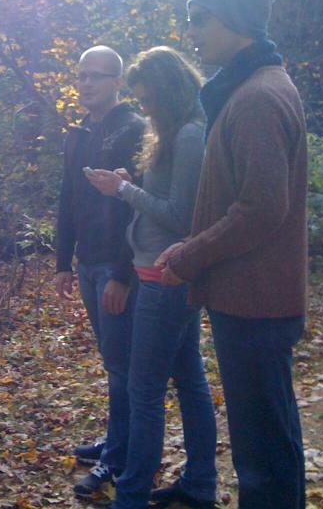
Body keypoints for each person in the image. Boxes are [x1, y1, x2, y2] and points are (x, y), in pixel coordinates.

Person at [156, 0, 308, 509]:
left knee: (262, 453)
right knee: (271, 439)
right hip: (254, 297)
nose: (191, 33)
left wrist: (192, 253)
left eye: (201, 19)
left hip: (254, 301)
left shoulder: (256, 98)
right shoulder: (255, 88)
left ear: (238, 20)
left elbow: (263, 207)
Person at [86, 47, 217, 509]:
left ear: (169, 92)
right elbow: (162, 197)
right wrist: (130, 182)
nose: (143, 108)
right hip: (155, 272)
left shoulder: (188, 136)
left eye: (148, 99)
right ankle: (200, 484)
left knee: (144, 392)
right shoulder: (171, 133)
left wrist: (123, 189)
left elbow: (183, 218)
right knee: (190, 382)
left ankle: (132, 494)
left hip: (165, 277)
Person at [54, 46, 145, 498]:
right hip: (87, 263)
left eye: (96, 75)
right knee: (114, 362)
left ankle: (119, 459)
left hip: (116, 266)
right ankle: (117, 440)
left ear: (117, 81)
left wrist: (124, 275)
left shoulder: (134, 130)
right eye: (81, 74)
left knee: (122, 365)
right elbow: (68, 199)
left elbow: (141, 213)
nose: (86, 82)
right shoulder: (77, 135)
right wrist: (61, 263)